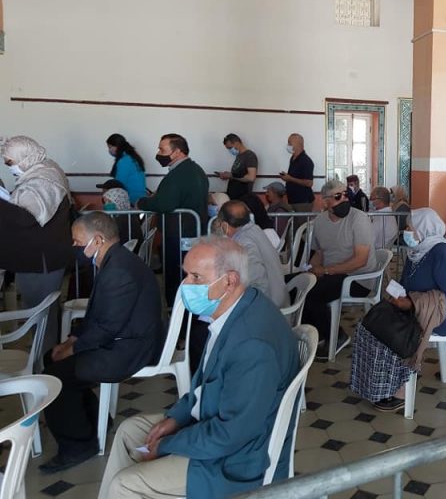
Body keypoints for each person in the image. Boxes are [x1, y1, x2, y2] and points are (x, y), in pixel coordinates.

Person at [98, 237, 299, 499]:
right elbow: (206, 385)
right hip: (212, 423)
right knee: (129, 432)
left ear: (230, 281)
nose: (185, 285)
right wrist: (176, 418)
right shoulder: (233, 310)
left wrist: (168, 444)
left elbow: (231, 434)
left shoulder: (252, 344)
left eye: (196, 277)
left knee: (124, 484)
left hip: (235, 461)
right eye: (186, 275)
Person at [40, 212, 163, 474]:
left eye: (77, 242)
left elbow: (106, 327)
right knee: (51, 358)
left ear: (97, 240)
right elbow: (98, 317)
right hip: (120, 338)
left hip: (128, 349)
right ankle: (93, 421)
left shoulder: (119, 270)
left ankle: (78, 446)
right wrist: (72, 340)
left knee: (55, 376)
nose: (74, 247)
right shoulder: (115, 260)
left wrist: (72, 349)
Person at [350, 208, 446, 412]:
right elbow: (405, 283)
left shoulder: (441, 252)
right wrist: (397, 294)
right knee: (370, 326)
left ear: (423, 228)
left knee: (393, 333)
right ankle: (377, 385)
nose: (406, 231)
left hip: (436, 315)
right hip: (411, 309)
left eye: (410, 227)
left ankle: (400, 392)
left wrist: (412, 303)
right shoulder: (416, 251)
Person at [0, 136, 71, 352]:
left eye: (10, 162)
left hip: (41, 260)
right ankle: (46, 356)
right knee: (43, 312)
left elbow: (25, 218)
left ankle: (45, 360)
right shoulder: (43, 171)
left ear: (25, 157)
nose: (9, 167)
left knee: (40, 313)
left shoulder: (43, 179)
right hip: (43, 257)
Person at [298, 179, 376, 360]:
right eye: (338, 196)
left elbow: (361, 260)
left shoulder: (358, 219)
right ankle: (313, 336)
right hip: (331, 273)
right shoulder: (320, 221)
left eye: (346, 194)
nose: (344, 199)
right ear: (325, 202)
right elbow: (319, 252)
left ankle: (336, 336)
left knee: (313, 293)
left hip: (357, 278)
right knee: (296, 285)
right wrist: (311, 269)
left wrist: (326, 271)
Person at [137, 133, 209, 306]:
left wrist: (142, 202)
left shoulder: (179, 175)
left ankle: (176, 311)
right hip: (192, 230)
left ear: (177, 152)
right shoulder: (196, 170)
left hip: (179, 233)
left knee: (176, 276)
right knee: (191, 275)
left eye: (162, 150)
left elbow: (165, 203)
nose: (158, 153)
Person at [216, 200, 288, 309]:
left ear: (225, 225)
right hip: (276, 297)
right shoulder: (254, 229)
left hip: (268, 306)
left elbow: (257, 283)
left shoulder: (244, 243)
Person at [104, 134, 147, 205]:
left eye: (110, 147)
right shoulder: (132, 158)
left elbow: (119, 184)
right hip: (140, 198)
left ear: (117, 146)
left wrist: (106, 189)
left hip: (131, 200)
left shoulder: (124, 161)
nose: (109, 150)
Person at [216, 133, 258, 200]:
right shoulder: (238, 156)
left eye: (230, 148)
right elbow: (238, 174)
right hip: (234, 195)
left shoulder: (250, 156)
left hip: (243, 196)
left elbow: (251, 177)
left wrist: (231, 176)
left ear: (237, 143)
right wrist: (227, 175)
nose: (229, 150)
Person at [280, 133, 315, 213]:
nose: (288, 145)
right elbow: (294, 177)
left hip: (302, 201)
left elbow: (309, 183)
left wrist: (290, 178)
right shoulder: (293, 158)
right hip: (292, 200)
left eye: (289, 143)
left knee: (301, 221)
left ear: (298, 144)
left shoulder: (306, 161)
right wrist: (287, 177)